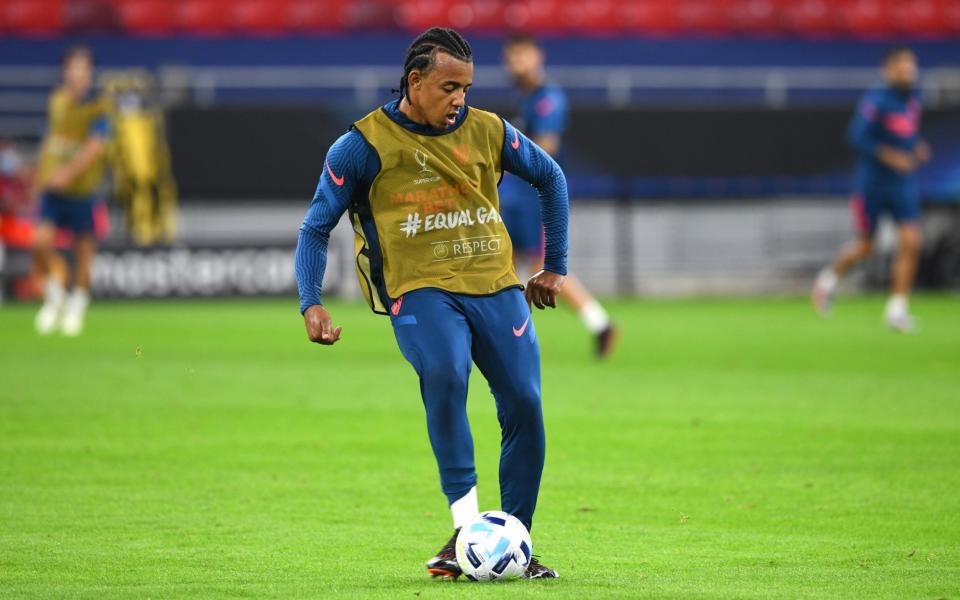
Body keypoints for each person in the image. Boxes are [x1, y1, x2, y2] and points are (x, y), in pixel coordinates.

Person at [294, 28, 566, 579]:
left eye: (465, 87)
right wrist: (310, 301)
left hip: (493, 282)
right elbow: (316, 226)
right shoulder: (362, 145)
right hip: (418, 288)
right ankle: (469, 531)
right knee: (444, 372)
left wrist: (555, 265)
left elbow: (551, 177)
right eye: (448, 87)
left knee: (526, 404)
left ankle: (512, 543)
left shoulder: (489, 130)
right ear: (414, 82)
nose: (459, 98)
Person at [501, 33, 616, 357]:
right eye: (511, 56)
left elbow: (546, 148)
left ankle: (600, 322)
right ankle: (508, 335)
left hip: (534, 198)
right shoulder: (524, 98)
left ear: (538, 57)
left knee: (541, 268)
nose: (516, 62)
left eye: (522, 55)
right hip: (513, 196)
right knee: (503, 264)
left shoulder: (547, 98)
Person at [812, 46, 930, 332]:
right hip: (873, 183)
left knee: (911, 241)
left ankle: (897, 309)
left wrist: (917, 147)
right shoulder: (875, 100)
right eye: (901, 65)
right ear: (887, 69)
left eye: (910, 64)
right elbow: (856, 136)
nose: (907, 70)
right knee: (867, 245)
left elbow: (907, 133)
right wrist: (891, 156)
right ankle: (827, 279)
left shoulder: (913, 99)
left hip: (903, 183)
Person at [33, 46, 110, 336]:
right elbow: (50, 139)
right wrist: (39, 175)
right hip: (52, 189)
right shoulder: (57, 102)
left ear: (90, 73)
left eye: (84, 68)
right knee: (39, 243)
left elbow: (95, 146)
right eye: (73, 67)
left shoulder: (99, 106)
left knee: (83, 254)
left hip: (82, 190)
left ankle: (77, 307)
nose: (78, 73)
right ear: (66, 72)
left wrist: (68, 173)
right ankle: (55, 295)